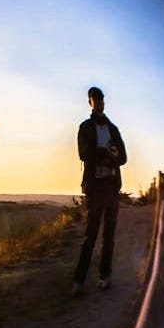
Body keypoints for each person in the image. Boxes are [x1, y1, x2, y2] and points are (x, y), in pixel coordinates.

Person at [73, 86, 127, 296]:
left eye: (102, 99)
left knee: (109, 236)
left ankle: (105, 277)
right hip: (95, 188)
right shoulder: (85, 127)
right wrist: (106, 153)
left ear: (104, 101)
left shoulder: (113, 129)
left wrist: (107, 154)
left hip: (112, 187)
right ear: (90, 102)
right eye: (96, 99)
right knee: (91, 236)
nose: (100, 102)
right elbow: (83, 153)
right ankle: (79, 280)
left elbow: (123, 157)